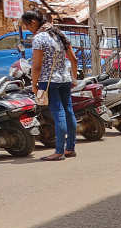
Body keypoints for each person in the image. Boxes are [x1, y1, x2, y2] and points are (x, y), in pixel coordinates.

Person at [22, 9, 79, 161]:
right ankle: (70, 149)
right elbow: (74, 60)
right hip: (65, 79)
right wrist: (74, 78)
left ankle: (59, 152)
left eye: (27, 26)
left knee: (58, 113)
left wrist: (34, 84)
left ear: (33, 22)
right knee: (68, 112)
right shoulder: (60, 34)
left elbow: (36, 66)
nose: (28, 29)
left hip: (49, 81)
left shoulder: (40, 38)